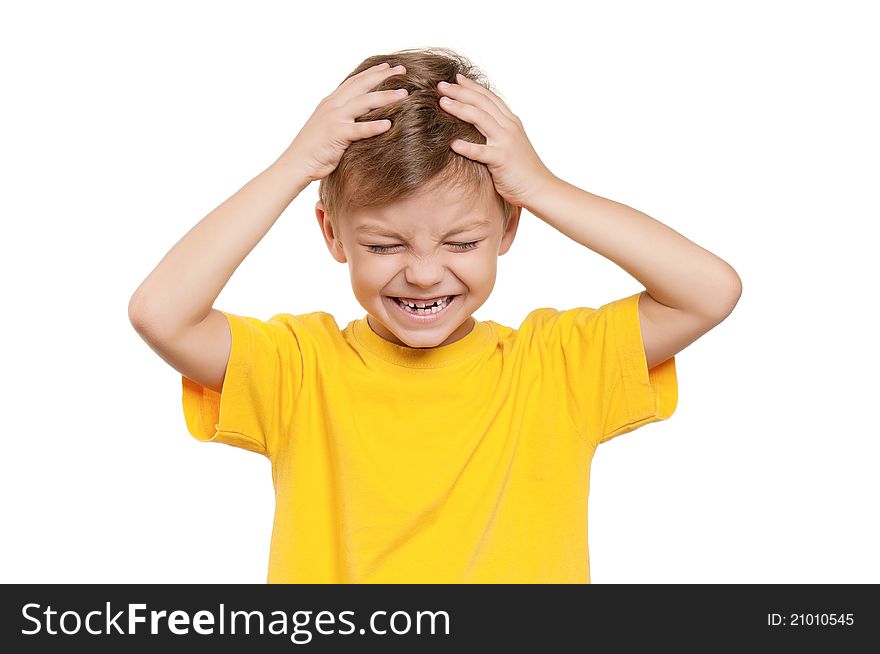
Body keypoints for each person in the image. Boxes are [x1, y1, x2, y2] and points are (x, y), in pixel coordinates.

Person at [128, 47, 742, 583]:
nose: (423, 273)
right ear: (332, 235)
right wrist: (296, 165)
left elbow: (708, 291)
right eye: (384, 245)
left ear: (508, 227)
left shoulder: (556, 367)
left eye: (461, 242)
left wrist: (540, 185)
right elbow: (162, 313)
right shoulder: (298, 368)